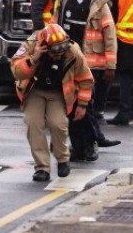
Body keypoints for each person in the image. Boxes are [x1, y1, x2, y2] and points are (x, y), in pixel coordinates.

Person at [52, 0, 120, 161]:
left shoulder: (99, 4)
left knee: (86, 107)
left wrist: (110, 65)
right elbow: (54, 26)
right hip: (67, 63)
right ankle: (78, 147)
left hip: (92, 65)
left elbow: (110, 36)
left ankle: (90, 145)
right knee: (69, 107)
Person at [11, 23, 93, 182]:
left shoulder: (72, 51)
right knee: (33, 123)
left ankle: (63, 160)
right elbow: (16, 72)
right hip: (34, 91)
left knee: (58, 124)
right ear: (44, 46)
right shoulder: (30, 45)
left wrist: (82, 105)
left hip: (58, 93)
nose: (59, 53)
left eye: (62, 48)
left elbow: (86, 79)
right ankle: (42, 168)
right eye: (55, 50)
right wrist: (33, 58)